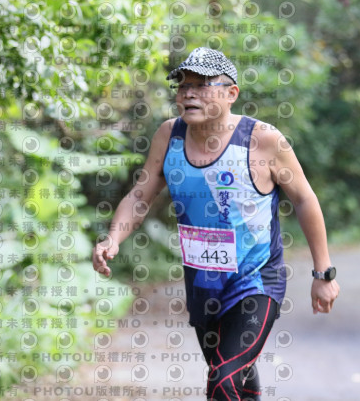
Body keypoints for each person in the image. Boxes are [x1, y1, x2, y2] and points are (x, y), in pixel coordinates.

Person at [92, 47, 340, 400]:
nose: (188, 94)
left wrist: (323, 274)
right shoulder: (169, 136)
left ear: (231, 93)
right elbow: (140, 196)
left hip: (256, 282)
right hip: (203, 286)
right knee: (235, 377)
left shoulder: (263, 140)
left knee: (223, 380)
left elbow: (304, 199)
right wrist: (113, 239)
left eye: (201, 85)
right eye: (183, 86)